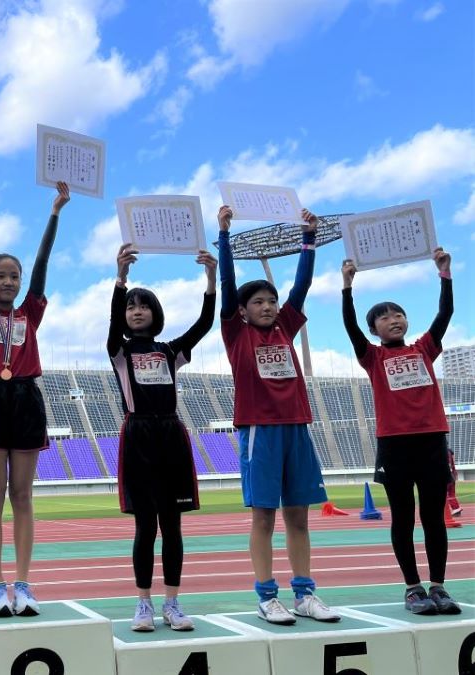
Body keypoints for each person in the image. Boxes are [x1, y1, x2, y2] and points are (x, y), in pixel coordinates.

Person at [218, 204, 339, 625]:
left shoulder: (286, 328)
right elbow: (228, 283)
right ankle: (267, 596)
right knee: (264, 517)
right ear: (243, 309)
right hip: (260, 431)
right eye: (258, 302)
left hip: (296, 429)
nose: (268, 306)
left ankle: (304, 593)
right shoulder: (236, 333)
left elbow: (302, 286)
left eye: (271, 300)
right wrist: (224, 236)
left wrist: (309, 239)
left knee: (299, 518)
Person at [0, 178, 69, 617]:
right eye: (0, 275)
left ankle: (23, 583)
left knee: (22, 495)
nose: (8, 281)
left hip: (25, 397)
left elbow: (43, 261)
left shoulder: (30, 312)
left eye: (14, 276)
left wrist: (54, 212)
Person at [341, 250, 460, 615]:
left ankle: (438, 586)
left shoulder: (424, 349)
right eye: (384, 317)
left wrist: (444, 275)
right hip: (394, 445)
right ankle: (412, 588)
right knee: (403, 517)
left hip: (432, 441)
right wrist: (347, 287)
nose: (393, 320)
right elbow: (350, 327)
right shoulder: (373, 357)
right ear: (374, 329)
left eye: (398, 314)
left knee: (433, 517)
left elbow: (445, 314)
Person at [108, 243, 216, 632]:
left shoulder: (171, 351)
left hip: (171, 434)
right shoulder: (119, 351)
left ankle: (172, 603)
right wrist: (120, 280)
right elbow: (112, 324)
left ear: (156, 313)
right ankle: (143, 604)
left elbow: (204, 325)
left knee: (172, 526)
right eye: (130, 307)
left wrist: (211, 280)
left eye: (144, 306)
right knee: (145, 527)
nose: (136, 311)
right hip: (138, 435)